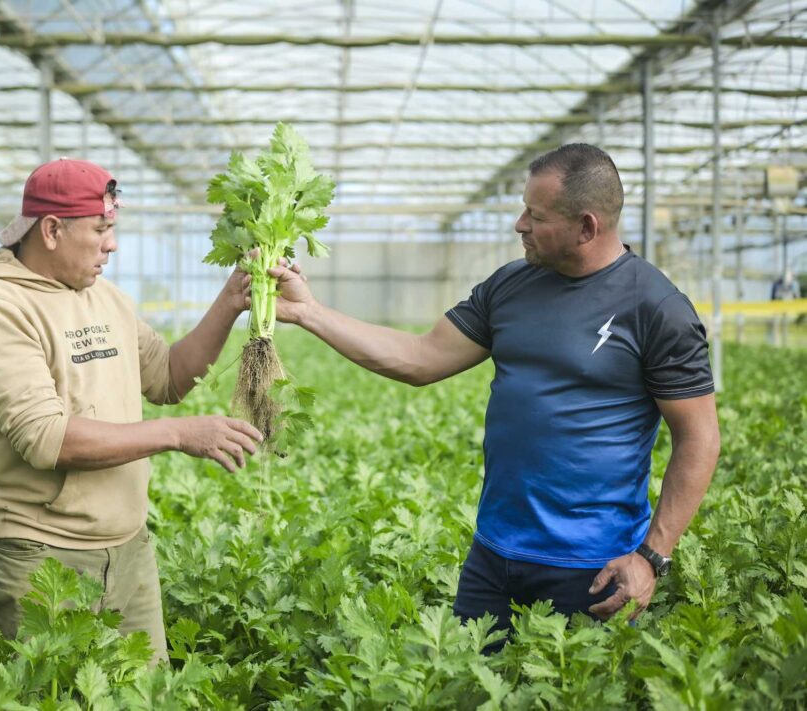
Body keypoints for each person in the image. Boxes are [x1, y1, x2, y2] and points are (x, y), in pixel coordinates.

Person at [262, 144, 721, 649]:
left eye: (535, 214)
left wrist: (652, 556)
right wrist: (310, 313)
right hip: (492, 557)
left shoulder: (657, 309)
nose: (519, 224)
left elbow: (698, 438)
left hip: (592, 569)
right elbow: (420, 358)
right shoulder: (510, 285)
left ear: (586, 227)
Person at [0, 158, 263, 662]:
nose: (111, 244)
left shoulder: (106, 297)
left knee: (147, 695)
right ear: (51, 230)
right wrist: (178, 435)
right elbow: (47, 438)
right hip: (39, 558)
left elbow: (168, 376)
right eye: (101, 229)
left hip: (130, 550)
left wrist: (230, 301)